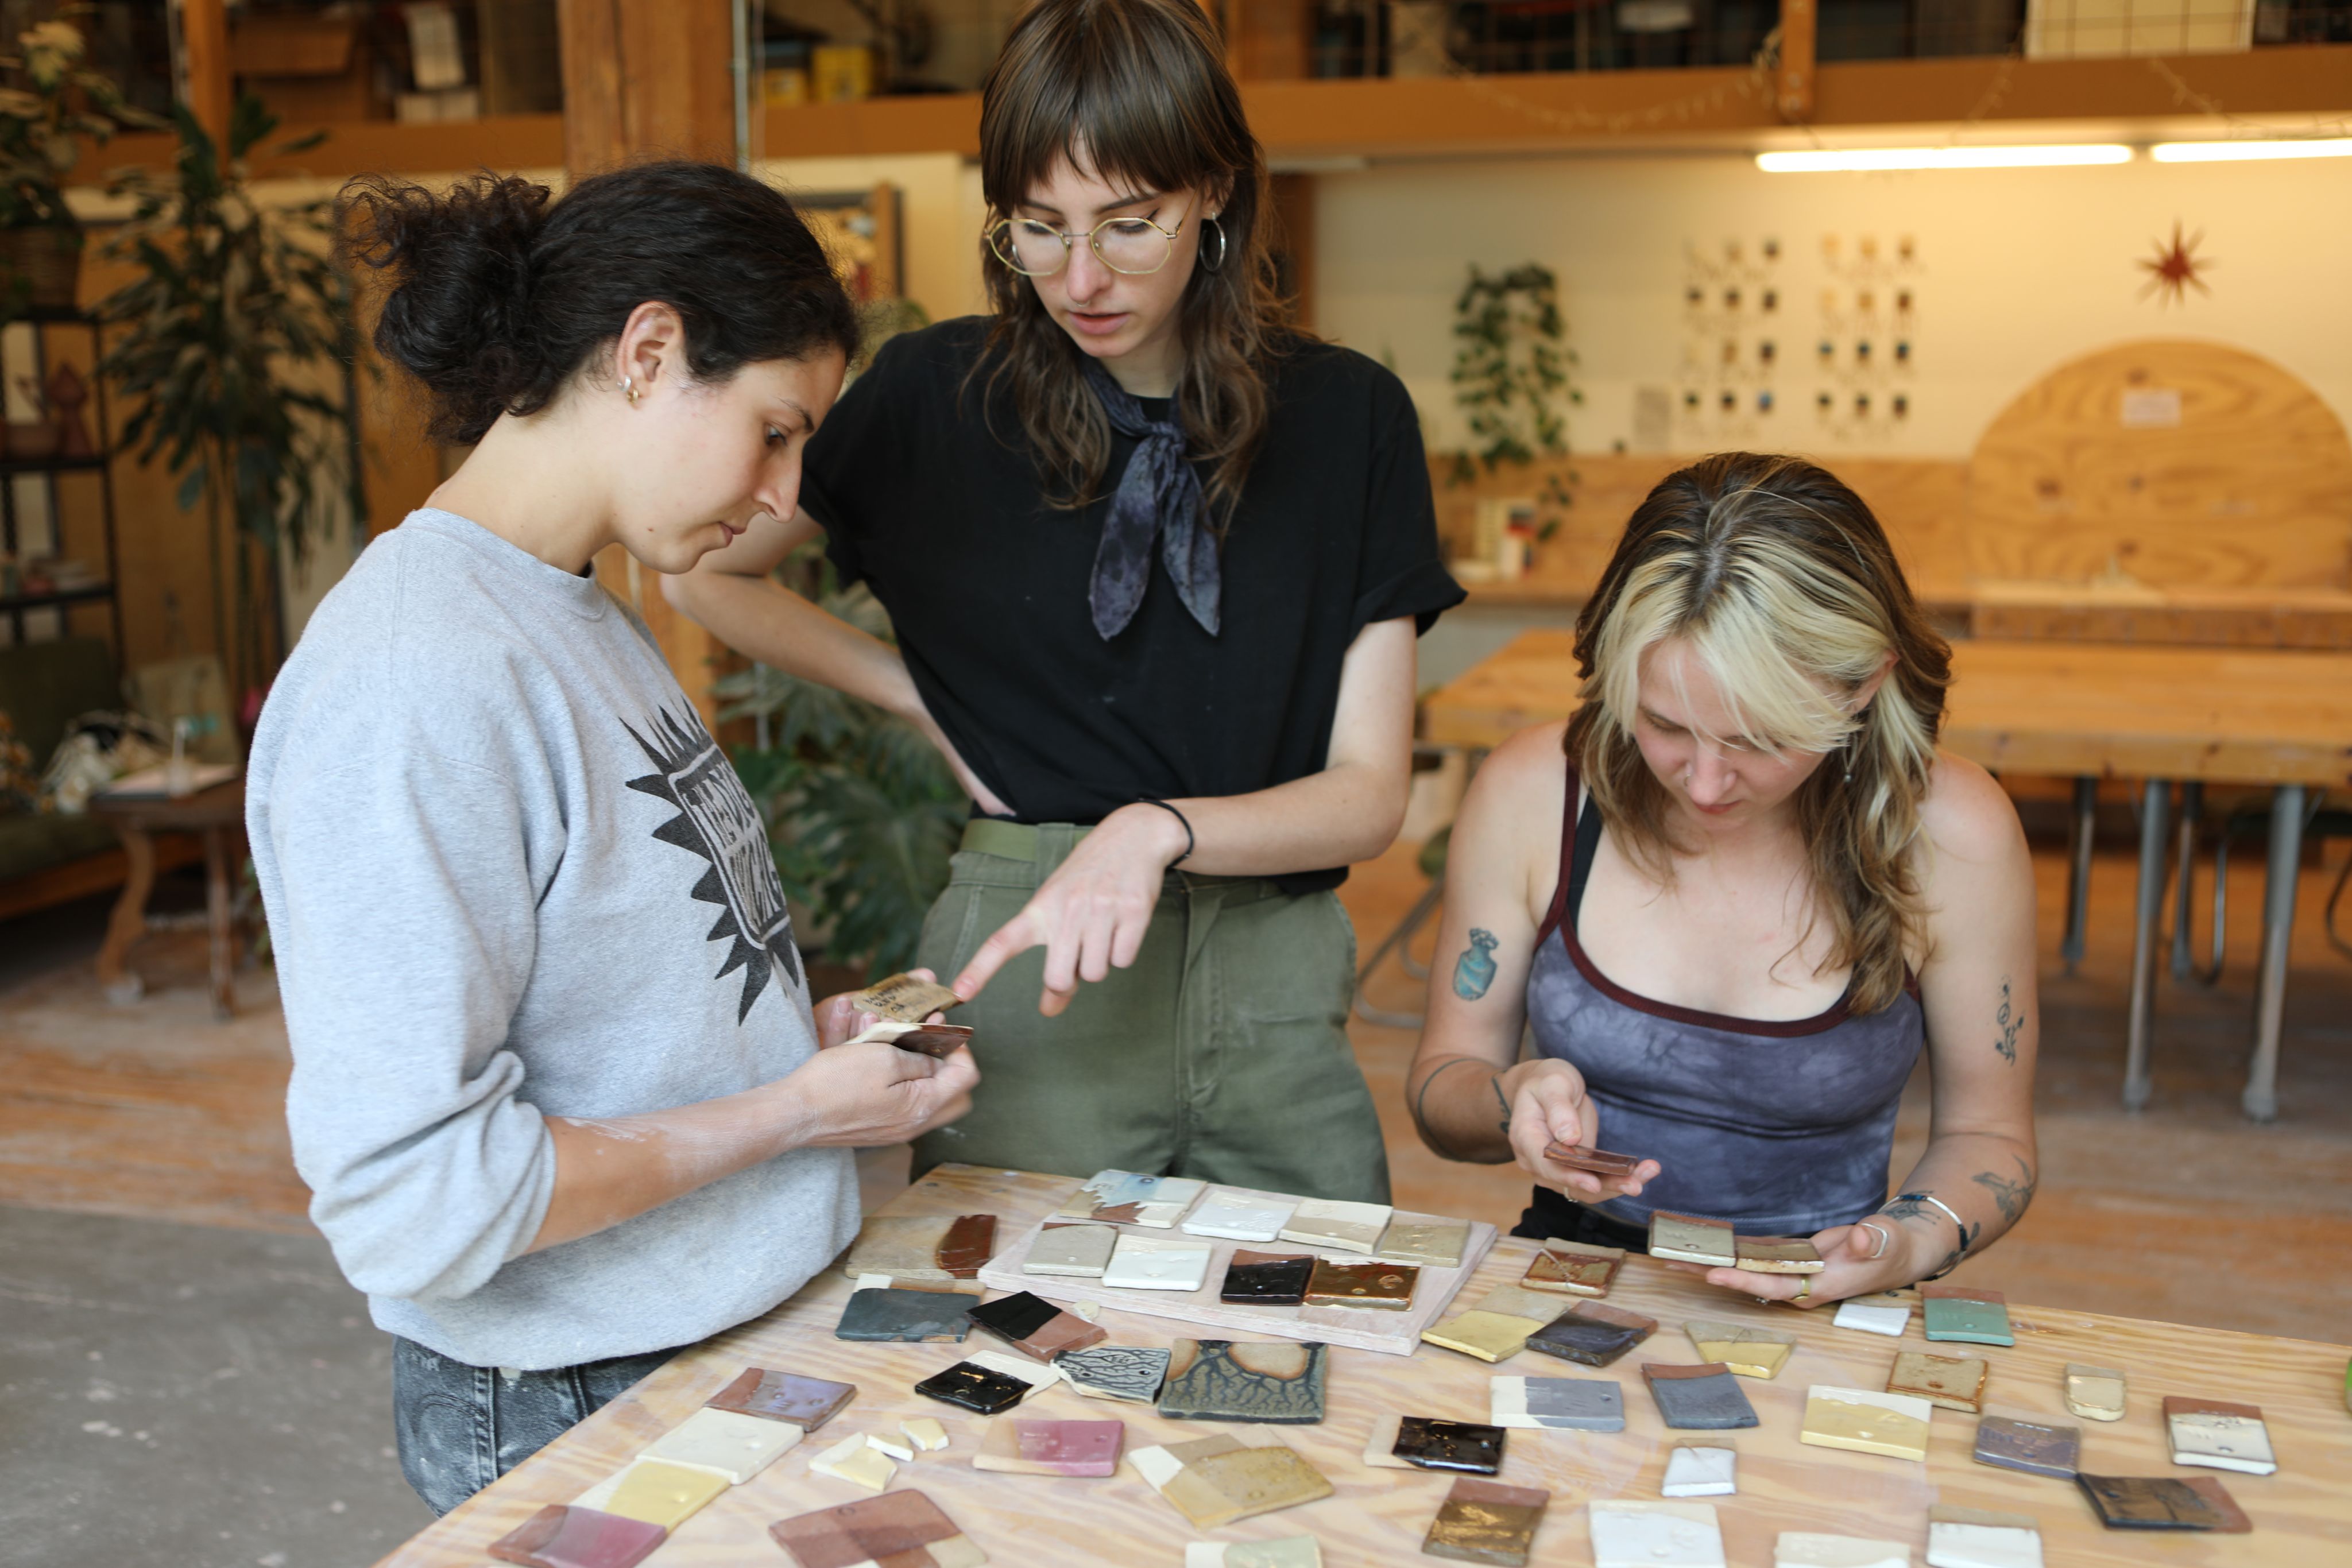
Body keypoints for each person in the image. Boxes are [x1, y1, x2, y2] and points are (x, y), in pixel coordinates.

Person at [246, 161, 977, 1516]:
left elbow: (603, 996)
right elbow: (422, 1196)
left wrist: (788, 1054)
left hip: (703, 1340)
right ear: (648, 353)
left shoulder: (574, 607)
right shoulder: (414, 678)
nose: (780, 492)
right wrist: (789, 1114)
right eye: (772, 428)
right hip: (576, 1392)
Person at [668, 0, 1461, 1202]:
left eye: (1128, 226)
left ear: (1214, 192)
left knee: (1302, 1341)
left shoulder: (1346, 420)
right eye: (1037, 230)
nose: (1080, 279)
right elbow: (701, 564)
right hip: (1034, 958)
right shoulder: (936, 396)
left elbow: (1364, 796)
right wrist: (924, 703)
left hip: (1273, 980)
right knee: (1012, 1352)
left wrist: (1151, 827)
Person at [1405, 452, 2039, 1304]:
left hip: (1829, 1279)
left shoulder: (1949, 832)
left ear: (1865, 686)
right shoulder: (1535, 791)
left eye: (1759, 739)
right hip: (1582, 1270)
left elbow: (1991, 1136)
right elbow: (1444, 1084)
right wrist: (1508, 1096)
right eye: (1664, 724)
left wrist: (1910, 1239)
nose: (1703, 784)